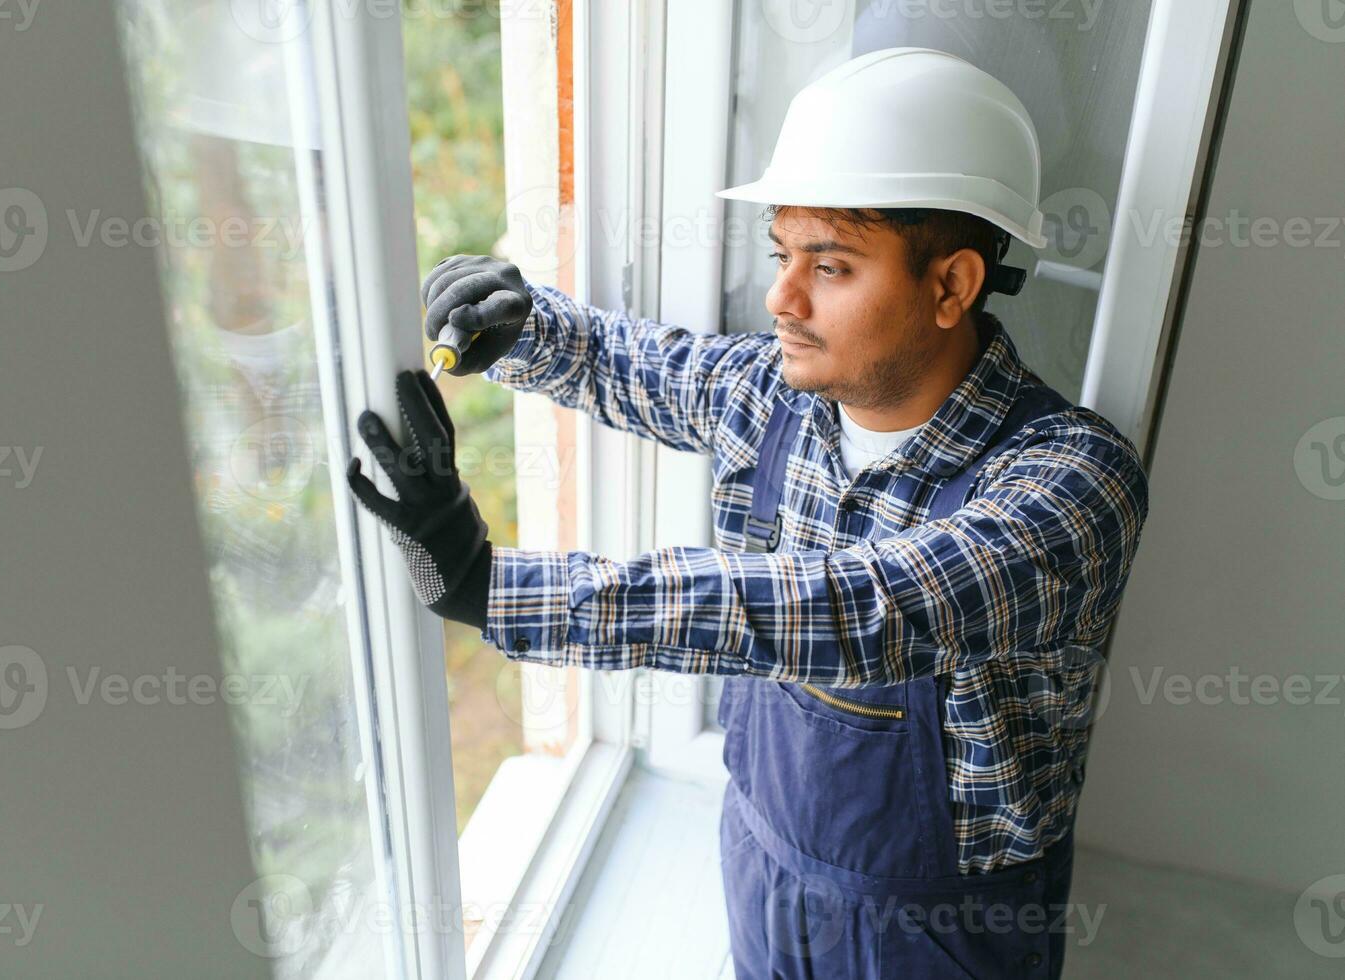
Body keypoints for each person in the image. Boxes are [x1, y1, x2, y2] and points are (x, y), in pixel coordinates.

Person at [346, 47, 1150, 979]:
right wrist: (517, 322)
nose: (782, 297)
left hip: (937, 932)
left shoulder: (1072, 482)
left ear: (950, 285)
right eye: (781, 254)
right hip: (762, 857)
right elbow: (629, 362)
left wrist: (498, 589)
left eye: (832, 266)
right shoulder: (779, 395)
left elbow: (863, 605)